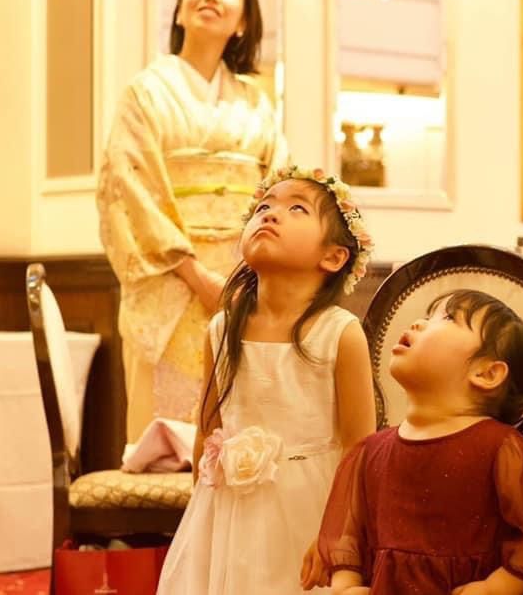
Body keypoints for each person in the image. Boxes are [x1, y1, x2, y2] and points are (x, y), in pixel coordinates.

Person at [157, 167, 377, 595]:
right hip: (229, 508)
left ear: (333, 257)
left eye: (297, 209)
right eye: (263, 206)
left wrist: (338, 534)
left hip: (310, 508)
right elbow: (208, 431)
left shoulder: (340, 333)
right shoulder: (222, 329)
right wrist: (204, 519)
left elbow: (358, 450)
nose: (270, 214)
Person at [96, 0, 289, 441]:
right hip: (169, 283)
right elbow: (129, 191)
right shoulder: (146, 93)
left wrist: (247, 275)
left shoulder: (257, 103)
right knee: (168, 438)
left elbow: (279, 189)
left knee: (239, 437)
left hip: (243, 280)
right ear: (180, 9)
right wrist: (195, 274)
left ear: (243, 22)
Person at [300, 290, 523, 595]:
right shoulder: (370, 451)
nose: (418, 323)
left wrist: (497, 586)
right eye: (429, 315)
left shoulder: (502, 449)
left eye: (447, 317)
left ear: (486, 373)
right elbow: (350, 536)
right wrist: (346, 586)